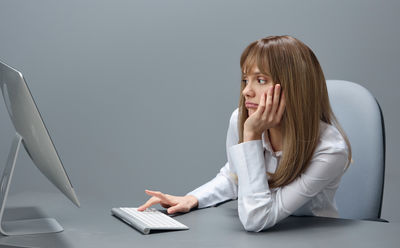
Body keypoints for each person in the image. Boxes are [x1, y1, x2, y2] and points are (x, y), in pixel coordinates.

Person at [138, 35, 352, 232]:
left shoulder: (329, 149)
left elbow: (257, 218)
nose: (246, 91)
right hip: (260, 244)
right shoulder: (240, 120)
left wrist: (250, 136)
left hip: (314, 242)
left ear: (295, 88)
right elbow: (235, 176)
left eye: (260, 80)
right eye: (245, 80)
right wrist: (193, 198)